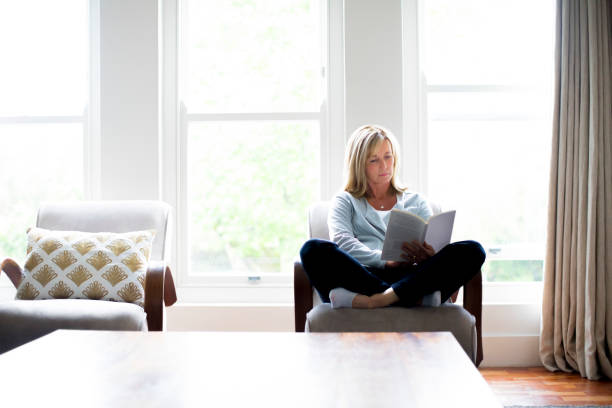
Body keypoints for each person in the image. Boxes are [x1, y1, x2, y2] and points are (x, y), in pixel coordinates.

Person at [299, 124, 485, 309]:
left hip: (412, 275)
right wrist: (385, 262)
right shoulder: (345, 199)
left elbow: (432, 249)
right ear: (359, 164)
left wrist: (430, 255)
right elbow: (343, 241)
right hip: (363, 275)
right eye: (374, 160)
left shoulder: (416, 200)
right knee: (312, 249)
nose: (384, 165)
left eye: (388, 157)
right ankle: (413, 299)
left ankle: (375, 300)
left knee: (473, 249)